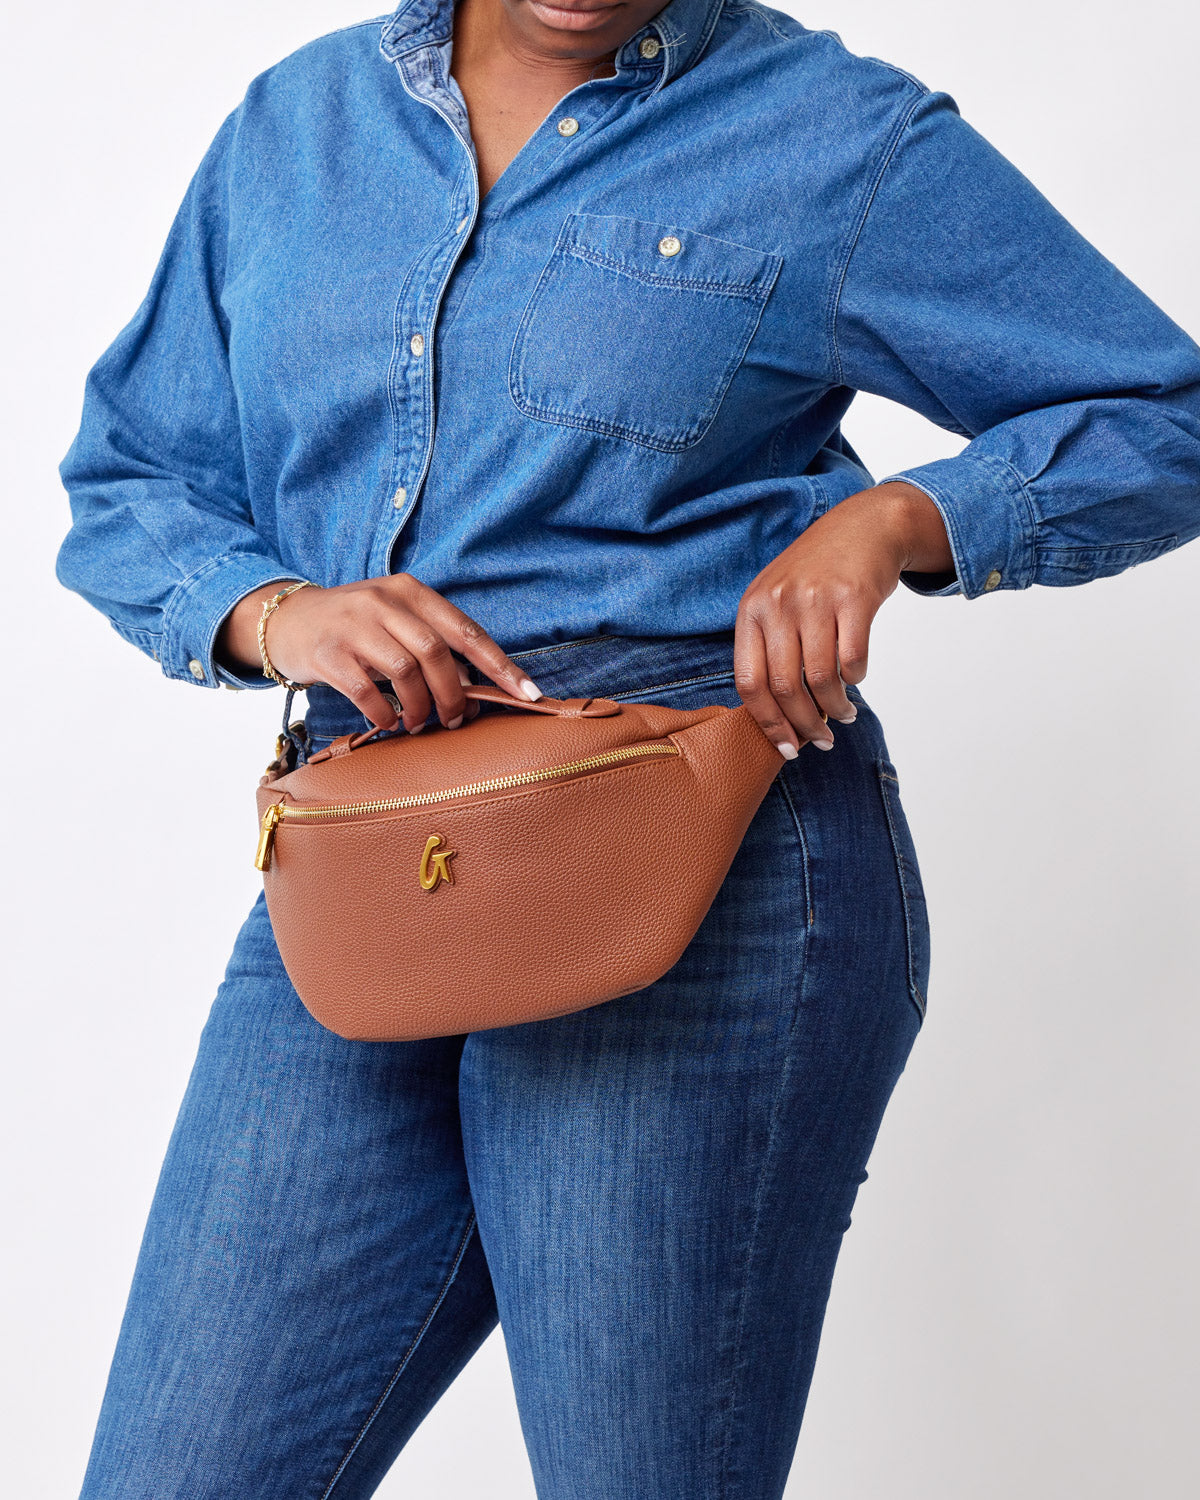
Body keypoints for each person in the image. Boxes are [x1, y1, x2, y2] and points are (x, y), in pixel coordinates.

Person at [57, 0, 1200, 1496]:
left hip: (697, 877)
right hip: (363, 877)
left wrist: (900, 521)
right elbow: (135, 475)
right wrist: (277, 614)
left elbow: (1159, 414)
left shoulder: (834, 134)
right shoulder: (297, 129)